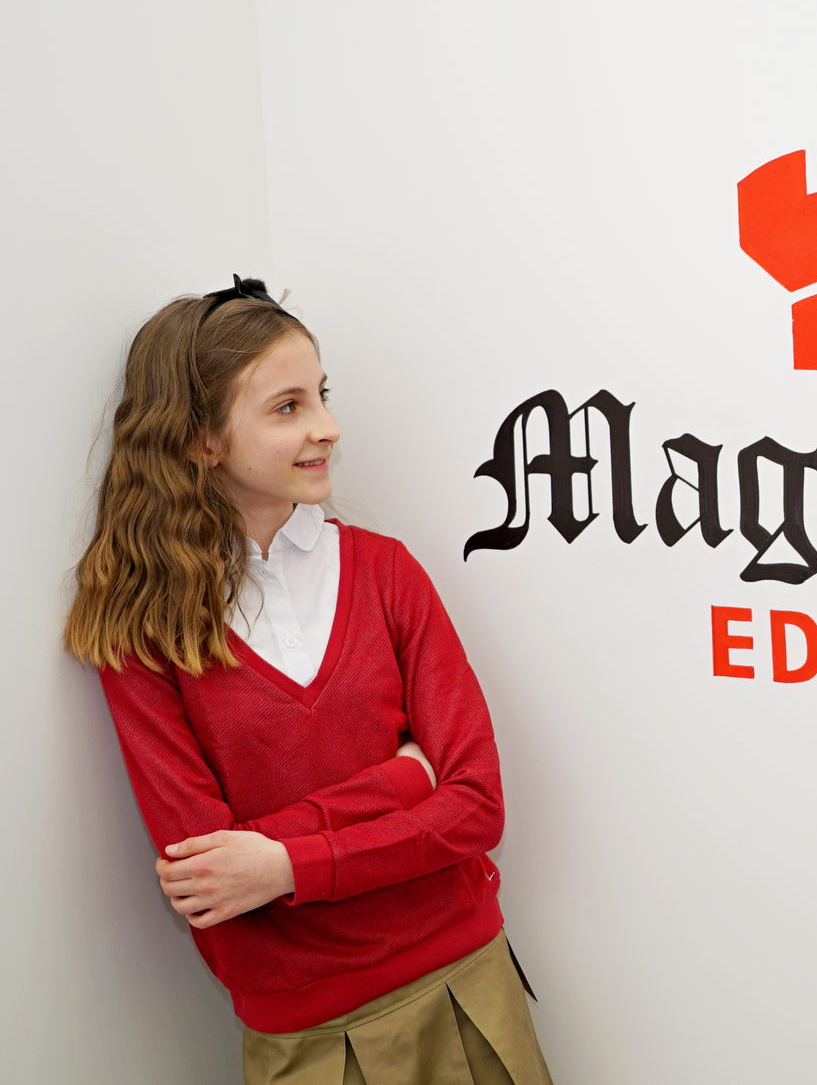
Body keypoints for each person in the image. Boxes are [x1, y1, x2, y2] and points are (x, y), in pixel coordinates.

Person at [64, 276, 554, 1085]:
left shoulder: (387, 572)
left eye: (322, 396)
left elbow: (476, 806)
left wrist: (283, 865)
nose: (327, 427)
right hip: (308, 1035)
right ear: (202, 440)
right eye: (287, 407)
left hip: (469, 982)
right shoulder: (141, 632)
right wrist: (405, 782)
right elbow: (211, 881)